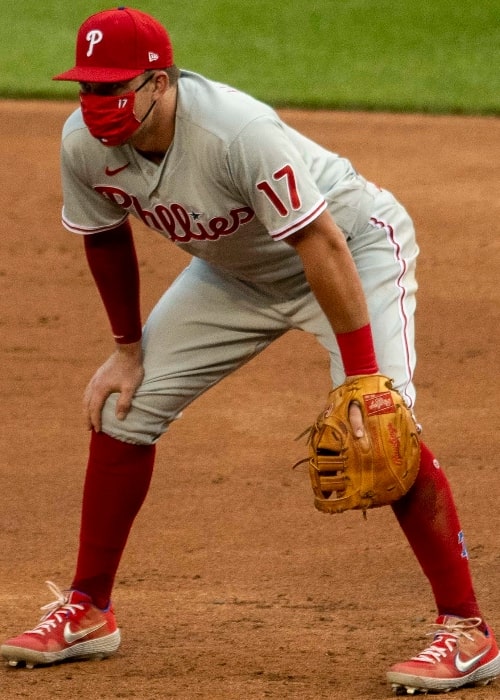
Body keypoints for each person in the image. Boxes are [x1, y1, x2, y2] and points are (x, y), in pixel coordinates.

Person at [2, 7, 499, 694]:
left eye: (114, 87)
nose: (99, 104)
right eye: (87, 88)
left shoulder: (235, 132)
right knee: (125, 408)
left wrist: (361, 378)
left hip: (351, 252)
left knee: (381, 428)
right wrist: (126, 348)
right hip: (236, 273)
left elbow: (319, 241)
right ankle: (89, 609)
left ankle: (468, 631)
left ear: (159, 81)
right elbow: (104, 234)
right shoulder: (83, 143)